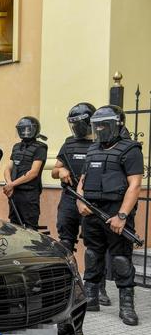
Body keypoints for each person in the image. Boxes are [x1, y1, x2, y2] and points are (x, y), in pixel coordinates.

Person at [76, 105, 143, 326]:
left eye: (105, 125)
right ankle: (91, 297)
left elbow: (135, 185)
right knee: (93, 254)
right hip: (91, 212)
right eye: (98, 126)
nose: (101, 129)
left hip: (116, 213)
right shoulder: (93, 149)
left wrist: (122, 216)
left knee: (121, 259)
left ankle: (126, 306)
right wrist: (79, 200)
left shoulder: (130, 149)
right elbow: (83, 180)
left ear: (117, 124)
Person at [51, 102, 112, 305]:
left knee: (95, 246)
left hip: (92, 201)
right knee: (66, 241)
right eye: (73, 124)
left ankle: (98, 288)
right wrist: (62, 171)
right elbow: (54, 170)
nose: (76, 128)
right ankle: (67, 284)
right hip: (69, 199)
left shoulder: (102, 144)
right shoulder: (68, 143)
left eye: (79, 124)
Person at [3, 117, 48, 230]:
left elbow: (33, 172)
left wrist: (12, 184)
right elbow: (8, 168)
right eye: (23, 129)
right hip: (14, 193)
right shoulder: (16, 147)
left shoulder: (40, 147)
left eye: (28, 129)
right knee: (14, 225)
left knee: (30, 227)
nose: (25, 132)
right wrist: (9, 184)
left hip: (29, 194)